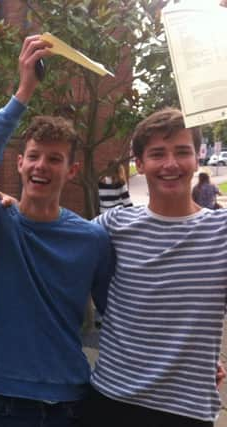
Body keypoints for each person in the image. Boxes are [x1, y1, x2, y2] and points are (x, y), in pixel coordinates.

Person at [0, 35, 115, 426]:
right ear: (18, 163)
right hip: (5, 401)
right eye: (33, 156)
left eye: (54, 159)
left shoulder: (92, 239)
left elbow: (118, 317)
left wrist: (186, 361)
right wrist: (24, 91)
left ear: (72, 170)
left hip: (71, 399)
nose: (41, 167)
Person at [80, 108, 227, 427]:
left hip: (186, 410)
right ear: (139, 162)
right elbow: (55, 238)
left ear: (197, 158)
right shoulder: (114, 225)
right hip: (111, 400)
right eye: (158, 153)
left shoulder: (222, 233)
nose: (171, 164)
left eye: (182, 152)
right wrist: (9, 206)